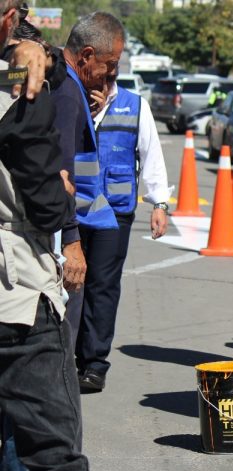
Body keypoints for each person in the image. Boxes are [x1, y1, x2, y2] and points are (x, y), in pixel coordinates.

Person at [0, 0, 94, 471]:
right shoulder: (17, 87)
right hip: (15, 292)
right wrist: (62, 197)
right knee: (56, 457)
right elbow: (43, 200)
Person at [73, 68, 172, 392]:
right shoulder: (72, 98)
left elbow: (151, 154)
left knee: (102, 285)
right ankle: (67, 357)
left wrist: (159, 204)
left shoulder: (135, 105)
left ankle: (94, 363)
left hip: (114, 210)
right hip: (74, 207)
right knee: (70, 284)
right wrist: (86, 113)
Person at [52, 12, 127, 391]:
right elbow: (63, 177)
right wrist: (72, 241)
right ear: (85, 55)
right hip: (62, 233)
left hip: (81, 219)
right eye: (108, 65)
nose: (110, 74)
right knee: (63, 329)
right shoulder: (67, 92)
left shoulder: (72, 89)